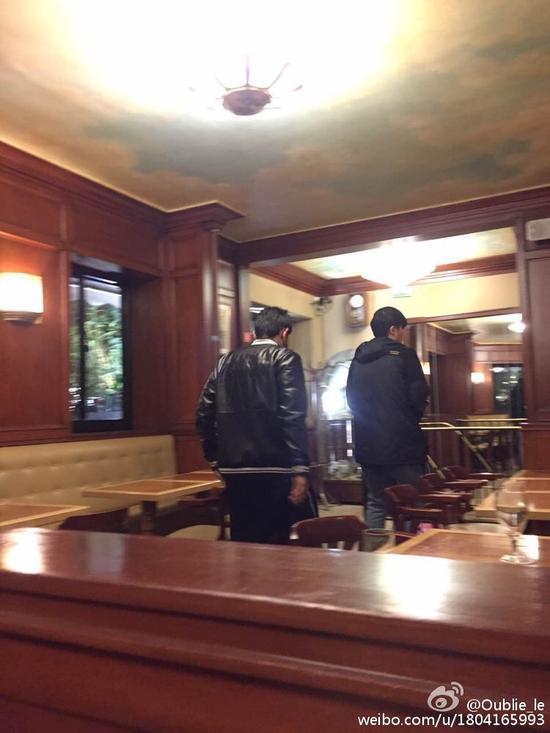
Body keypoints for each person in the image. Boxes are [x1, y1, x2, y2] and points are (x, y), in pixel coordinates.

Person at [196, 306, 316, 544]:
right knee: (287, 542)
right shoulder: (286, 358)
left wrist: (215, 459)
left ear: (254, 332)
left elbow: (203, 414)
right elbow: (292, 415)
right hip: (276, 468)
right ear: (284, 332)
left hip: (234, 470)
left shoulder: (224, 362)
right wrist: (300, 468)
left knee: (245, 541)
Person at [346, 306, 430, 529]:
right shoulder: (405, 355)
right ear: (393, 329)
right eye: (402, 330)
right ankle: (408, 548)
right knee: (411, 503)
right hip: (403, 446)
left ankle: (374, 549)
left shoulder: (358, 359)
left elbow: (351, 399)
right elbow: (419, 395)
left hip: (368, 446)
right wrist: (410, 417)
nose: (403, 335)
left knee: (376, 502)